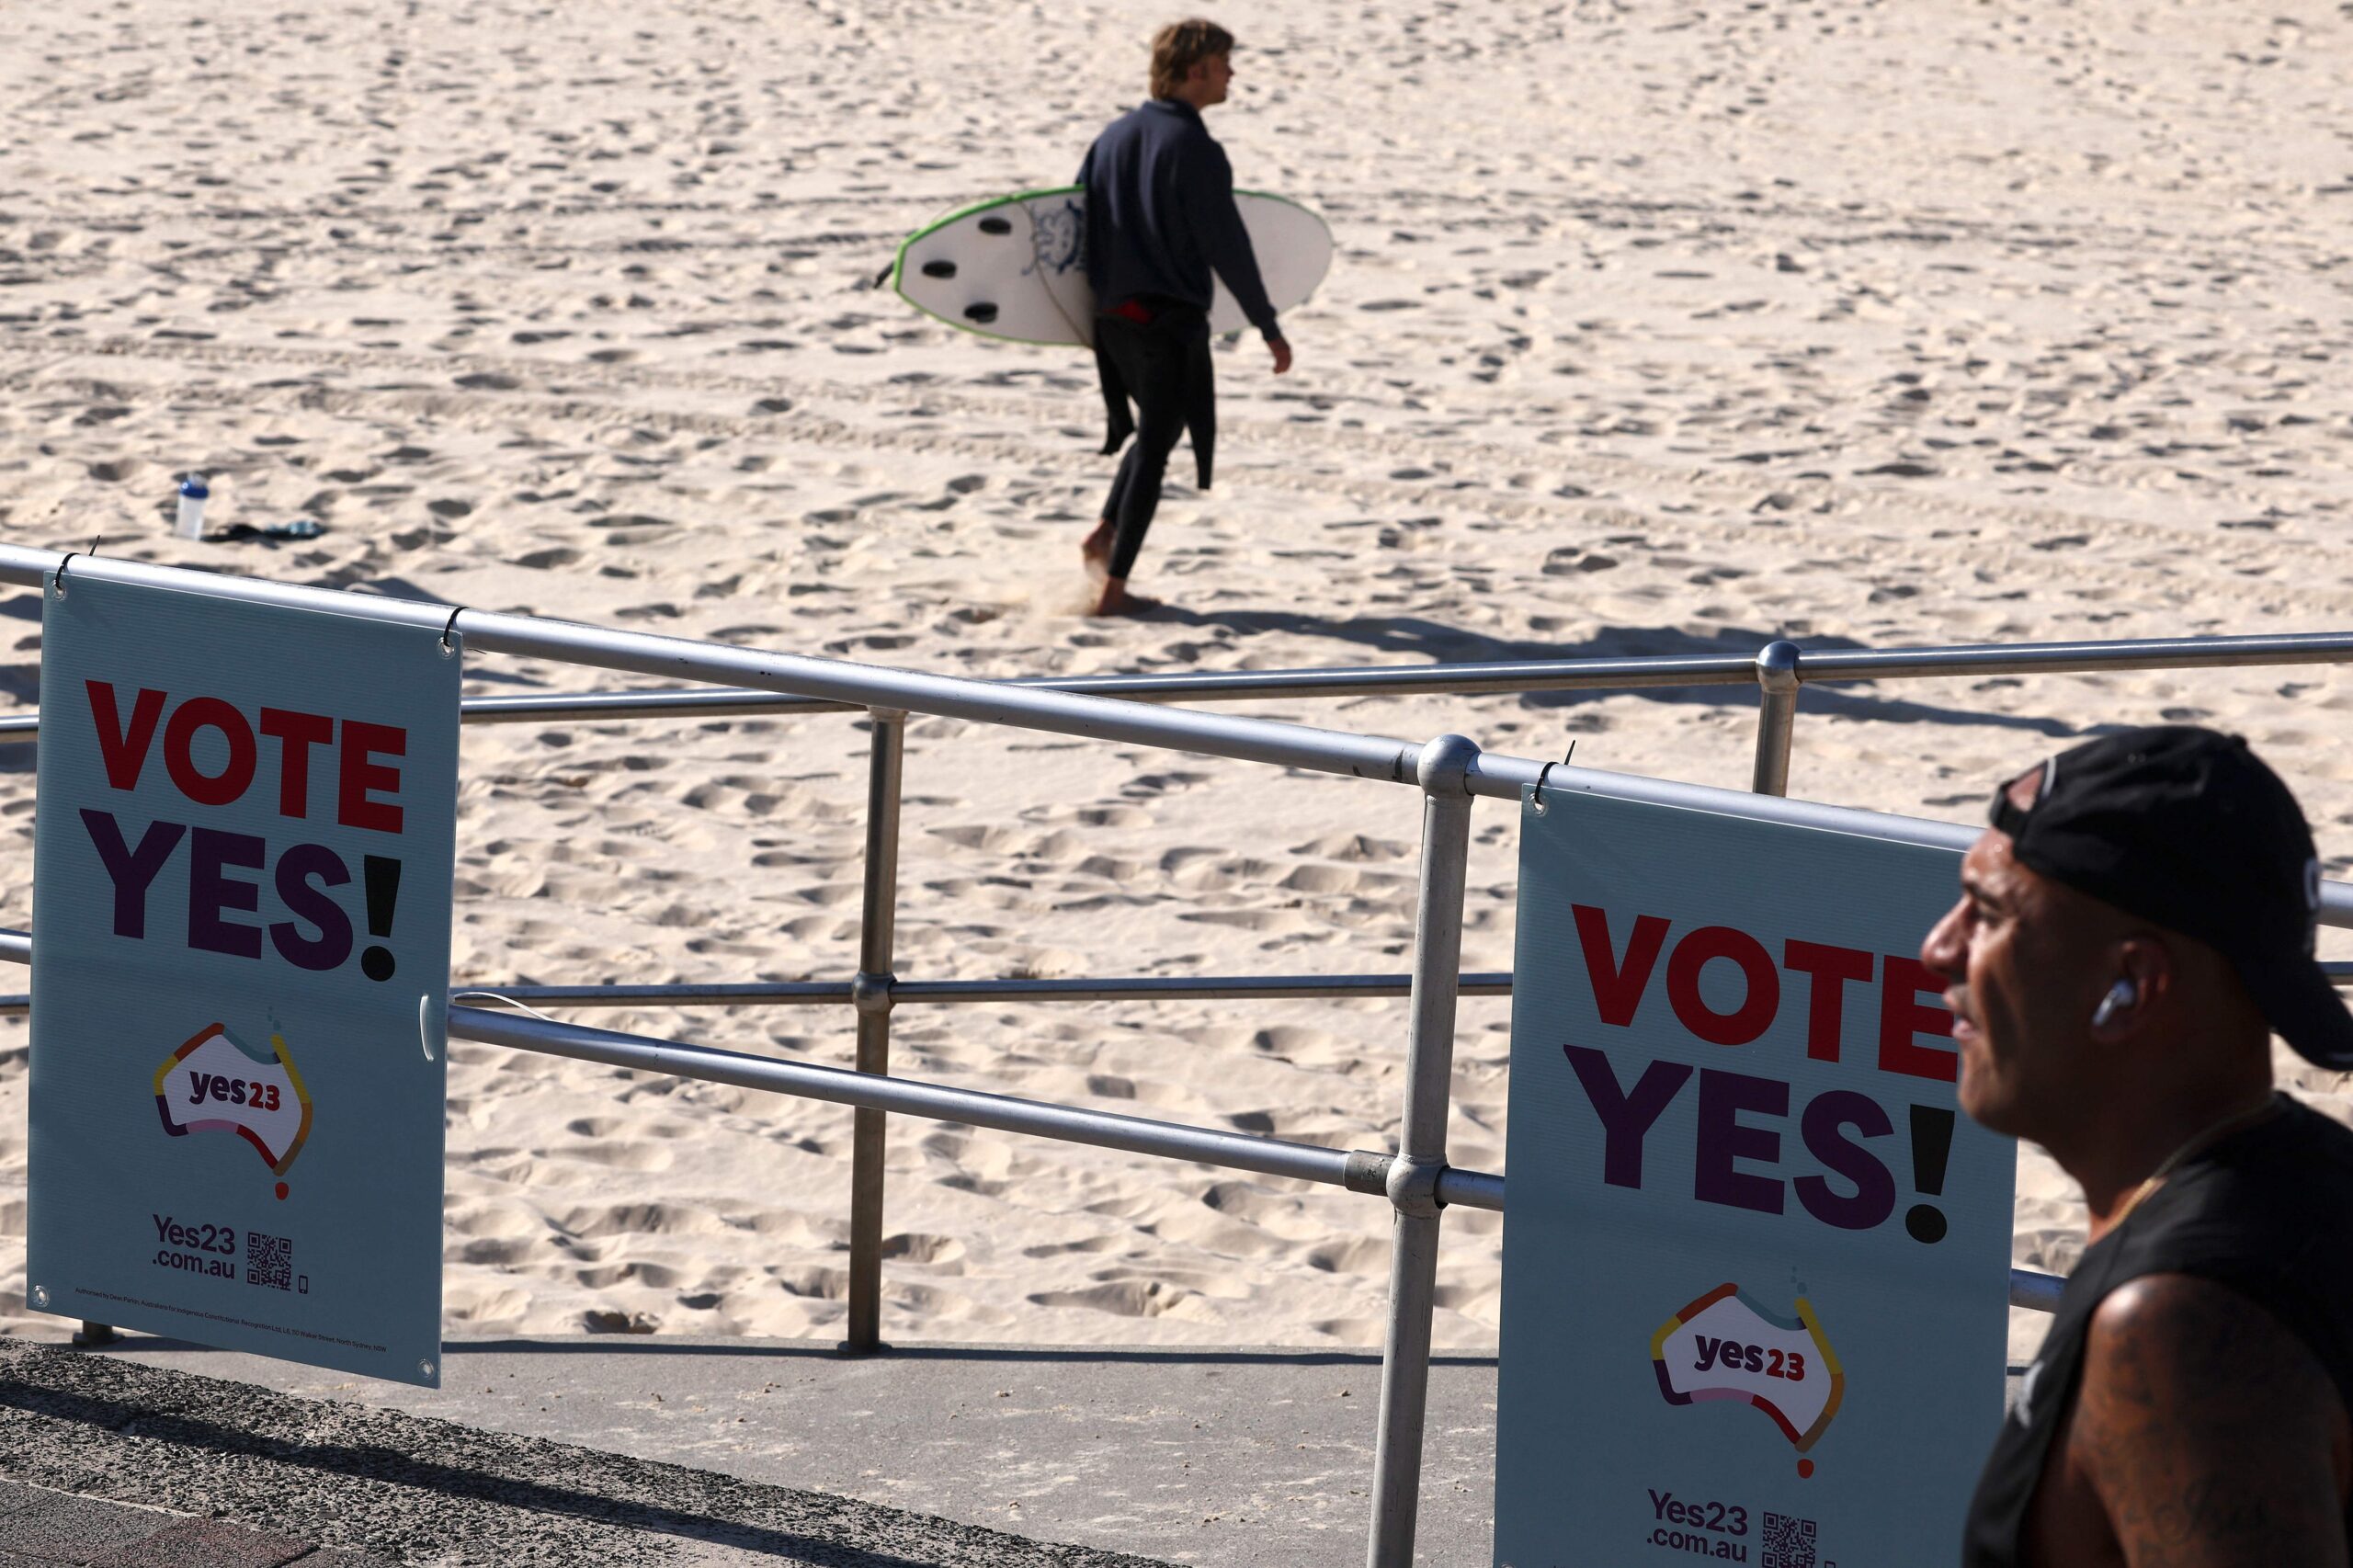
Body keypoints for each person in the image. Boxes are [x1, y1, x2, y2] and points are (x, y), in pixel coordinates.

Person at [1919, 726, 2353, 1566]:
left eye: (1991, 913)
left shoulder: (2178, 1332)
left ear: (2133, 985)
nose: (1940, 949)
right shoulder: (2313, 1180)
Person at [1074, 18, 1291, 617]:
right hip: (1165, 320)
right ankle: (1113, 590)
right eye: (1223, 64)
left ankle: (1103, 535)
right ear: (1196, 70)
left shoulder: (1113, 136)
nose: (1231, 75)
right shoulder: (1195, 149)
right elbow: (1228, 246)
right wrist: (1267, 325)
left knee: (1159, 430)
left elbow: (1072, 220)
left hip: (1113, 316)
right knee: (1155, 448)